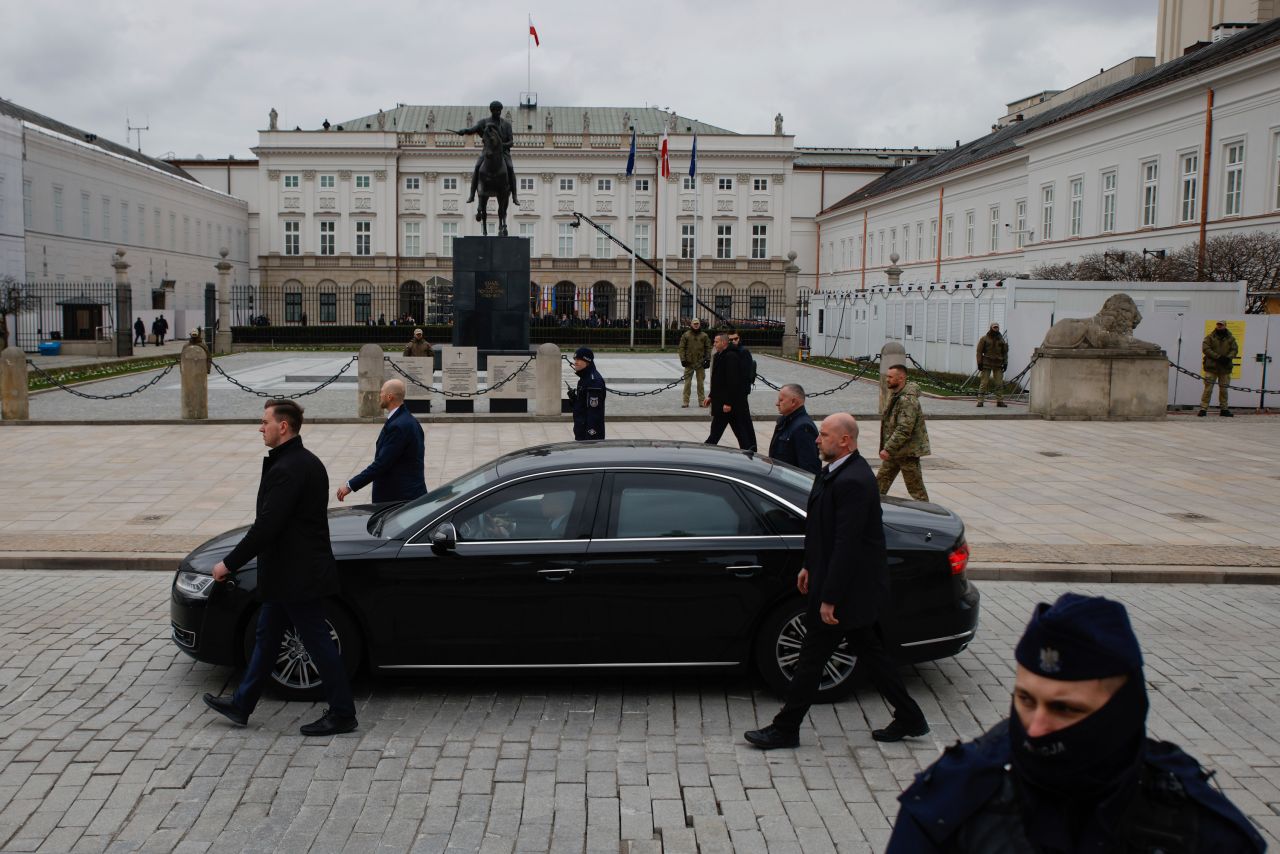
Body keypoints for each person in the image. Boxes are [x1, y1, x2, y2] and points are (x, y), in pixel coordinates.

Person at [887, 593, 1266, 852]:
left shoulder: (1196, 828)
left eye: (1066, 709)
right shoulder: (951, 804)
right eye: (1026, 699)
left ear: (1123, 709)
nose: (1035, 727)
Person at [745, 413, 929, 750]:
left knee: (812, 659)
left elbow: (848, 546)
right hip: (838, 585)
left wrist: (829, 596)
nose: (817, 439)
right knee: (869, 655)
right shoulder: (834, 473)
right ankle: (910, 716)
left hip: (848, 591)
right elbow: (821, 530)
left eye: (825, 435)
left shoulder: (855, 482)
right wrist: (808, 566)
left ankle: (786, 728)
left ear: (845, 440)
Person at [203, 399, 358, 737]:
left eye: (265, 422)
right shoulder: (304, 462)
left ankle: (343, 713)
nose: (260, 428)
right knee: (267, 638)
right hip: (289, 575)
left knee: (317, 643)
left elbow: (267, 527)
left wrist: (229, 563)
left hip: (297, 576)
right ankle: (242, 704)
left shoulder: (289, 469)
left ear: (282, 427)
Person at [337, 379, 426, 504]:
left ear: (389, 397)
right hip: (407, 493)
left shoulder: (398, 426)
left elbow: (381, 464)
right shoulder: (407, 420)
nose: (379, 395)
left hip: (399, 498)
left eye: (382, 392)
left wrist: (350, 485)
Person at [878, 365, 931, 502]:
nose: (887, 379)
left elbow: (904, 428)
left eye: (890, 377)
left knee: (917, 492)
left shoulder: (907, 400)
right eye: (887, 376)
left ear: (901, 378)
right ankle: (870, 511)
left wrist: (888, 448)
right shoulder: (897, 395)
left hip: (907, 453)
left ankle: (928, 517)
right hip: (896, 451)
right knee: (878, 485)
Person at [456, 100, 520, 205]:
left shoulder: (506, 125)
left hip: (503, 153)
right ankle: (472, 194)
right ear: (491, 111)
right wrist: (464, 131)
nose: (498, 112)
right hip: (488, 152)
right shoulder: (484, 122)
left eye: (499, 110)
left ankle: (514, 196)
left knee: (510, 168)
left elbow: (511, 142)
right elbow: (474, 129)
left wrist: (500, 146)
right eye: (495, 110)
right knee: (477, 167)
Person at [703, 332, 756, 450]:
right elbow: (717, 381)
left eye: (716, 342)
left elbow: (732, 382)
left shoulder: (731, 356)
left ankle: (706, 449)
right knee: (736, 430)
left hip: (726, 404)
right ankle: (749, 450)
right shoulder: (719, 355)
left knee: (716, 432)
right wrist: (711, 396)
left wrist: (728, 402)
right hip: (723, 403)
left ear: (723, 342)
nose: (714, 344)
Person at [768, 383, 820, 474]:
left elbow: (808, 470)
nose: (777, 403)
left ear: (793, 402)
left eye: (781, 400)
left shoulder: (803, 428)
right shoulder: (785, 420)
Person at [1199, 320, 1238, 417]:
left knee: (1224, 390)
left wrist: (1228, 358)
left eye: (1221, 325)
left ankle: (1224, 409)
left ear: (1225, 326)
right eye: (1218, 325)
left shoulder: (1231, 338)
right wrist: (1218, 357)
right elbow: (1206, 349)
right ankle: (1203, 409)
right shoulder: (1210, 337)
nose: (1219, 326)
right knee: (1208, 389)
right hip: (1211, 367)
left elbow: (1235, 349)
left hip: (1225, 368)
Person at [729, 331, 758, 450]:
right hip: (732, 396)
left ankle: (750, 447)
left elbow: (745, 375)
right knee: (737, 424)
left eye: (735, 339)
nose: (733, 341)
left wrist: (741, 393)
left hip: (740, 395)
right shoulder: (730, 352)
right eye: (731, 340)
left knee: (744, 422)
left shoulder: (743, 352)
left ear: (739, 339)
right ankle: (748, 446)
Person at [570, 346, 606, 440]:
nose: (575, 362)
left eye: (579, 360)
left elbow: (594, 412)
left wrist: (591, 434)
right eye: (575, 359)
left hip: (589, 434)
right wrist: (574, 400)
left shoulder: (593, 382)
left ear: (587, 361)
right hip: (581, 428)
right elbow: (583, 406)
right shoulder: (585, 378)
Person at [677, 318, 711, 408]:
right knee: (687, 383)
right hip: (689, 363)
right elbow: (681, 348)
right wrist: (683, 360)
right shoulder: (686, 335)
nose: (696, 325)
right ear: (691, 325)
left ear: (699, 324)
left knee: (701, 383)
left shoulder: (704, 336)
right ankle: (685, 401)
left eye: (697, 324)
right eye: (694, 324)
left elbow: (708, 348)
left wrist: (708, 360)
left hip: (700, 363)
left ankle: (701, 401)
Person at [975, 322, 1008, 408]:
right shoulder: (984, 339)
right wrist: (979, 363)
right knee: (984, 383)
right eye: (994, 327)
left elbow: (1005, 353)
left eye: (997, 327)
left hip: (998, 364)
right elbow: (979, 352)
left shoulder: (1001, 340)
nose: (996, 329)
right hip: (986, 364)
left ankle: (1000, 401)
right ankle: (980, 401)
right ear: (991, 328)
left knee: (999, 383)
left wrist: (1005, 363)